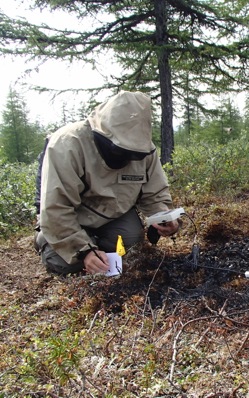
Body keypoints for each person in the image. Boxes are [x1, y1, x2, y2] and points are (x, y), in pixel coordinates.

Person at [34, 91, 179, 275]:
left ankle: (96, 243)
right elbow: (56, 208)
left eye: (133, 153)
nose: (128, 158)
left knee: (132, 243)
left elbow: (155, 193)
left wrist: (163, 216)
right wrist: (85, 251)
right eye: (122, 151)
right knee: (66, 263)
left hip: (112, 214)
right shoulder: (69, 144)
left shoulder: (145, 150)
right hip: (73, 216)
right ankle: (45, 239)